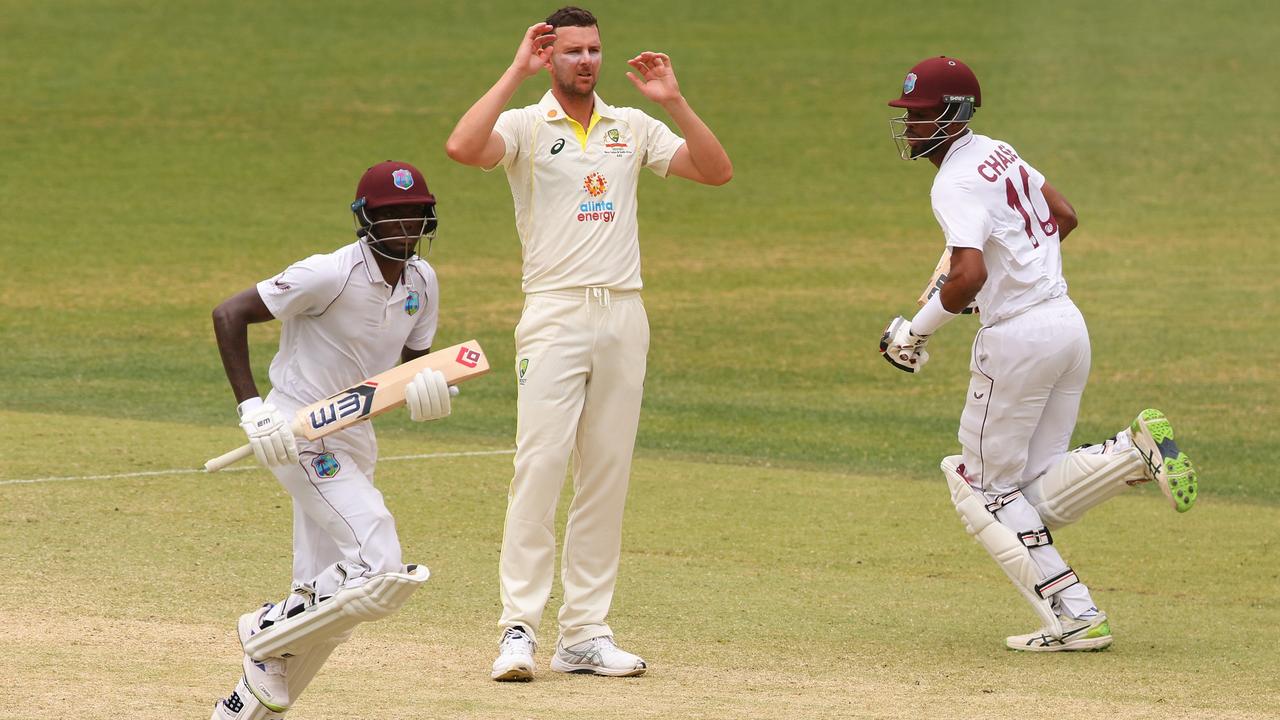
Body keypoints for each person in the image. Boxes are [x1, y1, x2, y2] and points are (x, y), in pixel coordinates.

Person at [445, 6, 732, 680]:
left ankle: (584, 635)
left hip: (623, 314)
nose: (586, 61)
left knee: (605, 476)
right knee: (539, 469)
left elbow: (715, 171)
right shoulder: (524, 125)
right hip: (553, 313)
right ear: (549, 56)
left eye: (594, 50)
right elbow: (462, 147)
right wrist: (516, 69)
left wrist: (676, 101)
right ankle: (518, 629)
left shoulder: (630, 127)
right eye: (571, 50)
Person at [879, 56, 1199, 651]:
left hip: (1018, 342)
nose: (912, 126)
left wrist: (917, 332)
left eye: (921, 116)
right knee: (1028, 491)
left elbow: (967, 274)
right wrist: (1009, 279)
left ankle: (1077, 616)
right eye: (909, 115)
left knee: (982, 489)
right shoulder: (999, 150)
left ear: (954, 114)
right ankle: (1130, 453)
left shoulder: (951, 181)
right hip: (1066, 327)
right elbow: (1065, 216)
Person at [207, 160, 456, 718]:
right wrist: (253, 409)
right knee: (378, 563)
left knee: (330, 612)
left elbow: (411, 369)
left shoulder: (422, 282)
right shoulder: (328, 274)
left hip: (355, 437)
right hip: (294, 431)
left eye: (415, 215)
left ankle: (236, 710)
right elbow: (229, 313)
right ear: (366, 221)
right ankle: (265, 626)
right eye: (392, 217)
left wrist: (434, 391)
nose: (406, 228)